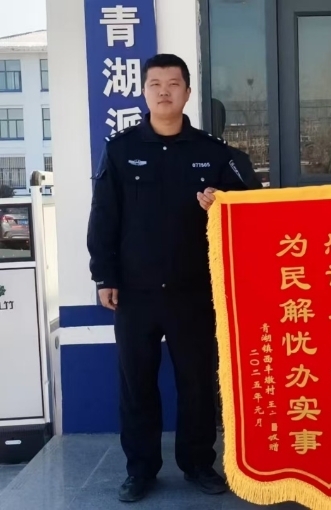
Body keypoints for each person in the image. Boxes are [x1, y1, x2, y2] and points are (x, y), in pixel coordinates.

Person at [87, 53, 259, 503]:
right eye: (155, 84)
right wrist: (104, 275)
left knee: (197, 382)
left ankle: (198, 463)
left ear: (187, 92)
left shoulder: (212, 152)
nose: (164, 91)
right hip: (135, 291)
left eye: (173, 84)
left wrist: (222, 202)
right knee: (136, 384)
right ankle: (140, 469)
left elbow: (250, 208)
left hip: (194, 291)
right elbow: (104, 216)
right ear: (144, 91)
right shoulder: (121, 149)